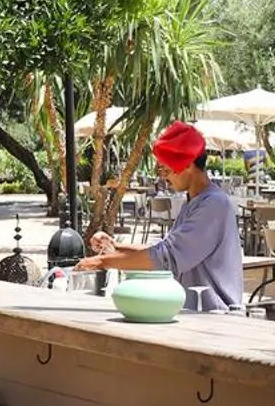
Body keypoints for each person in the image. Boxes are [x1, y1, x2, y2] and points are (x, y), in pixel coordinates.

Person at [77, 120, 244, 311]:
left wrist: (102, 262)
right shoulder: (194, 201)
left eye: (166, 169)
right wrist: (115, 246)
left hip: (216, 317)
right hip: (194, 313)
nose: (163, 177)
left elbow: (166, 259)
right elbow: (164, 249)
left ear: (188, 164)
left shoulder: (214, 204)